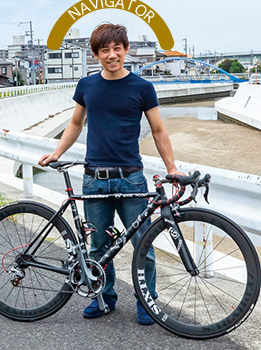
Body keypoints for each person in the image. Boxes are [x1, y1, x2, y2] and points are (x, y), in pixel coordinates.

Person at [38, 23, 184, 325]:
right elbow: (76, 124)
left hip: (131, 177)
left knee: (143, 243)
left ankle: (147, 301)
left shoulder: (142, 88)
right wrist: (57, 153)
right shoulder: (87, 86)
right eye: (105, 50)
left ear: (126, 50)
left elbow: (158, 130)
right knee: (99, 246)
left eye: (117, 48)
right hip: (94, 178)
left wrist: (172, 168)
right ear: (96, 54)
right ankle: (104, 297)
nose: (112, 54)